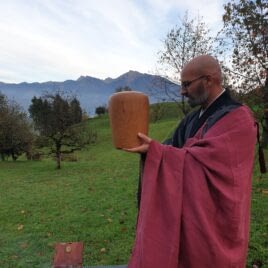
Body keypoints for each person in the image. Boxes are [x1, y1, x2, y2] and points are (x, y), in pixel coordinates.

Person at [124, 55, 257, 267]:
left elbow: (215, 165)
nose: (182, 91)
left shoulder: (239, 118)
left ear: (209, 80)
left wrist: (159, 153)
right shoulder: (193, 118)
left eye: (187, 84)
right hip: (191, 218)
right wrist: (152, 151)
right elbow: (170, 149)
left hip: (218, 219)